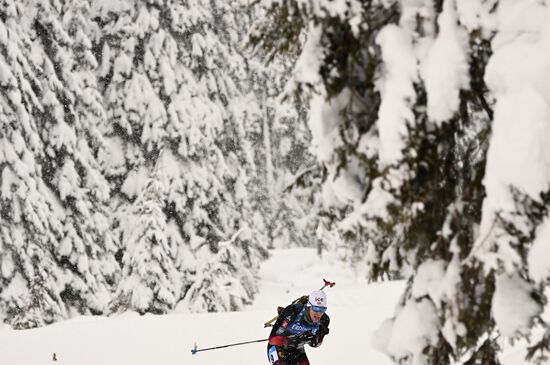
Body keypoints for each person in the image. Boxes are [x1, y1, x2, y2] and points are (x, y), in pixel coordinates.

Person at [266, 290, 330, 365]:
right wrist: (294, 339)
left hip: (297, 351)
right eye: (316, 308)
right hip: (278, 348)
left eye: (322, 309)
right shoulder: (292, 312)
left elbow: (316, 344)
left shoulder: (324, 320)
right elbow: (273, 339)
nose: (319, 313)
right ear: (309, 306)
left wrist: (312, 339)